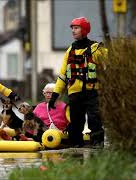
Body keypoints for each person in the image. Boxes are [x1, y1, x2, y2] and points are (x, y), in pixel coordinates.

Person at [48, 17, 108, 147]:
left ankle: (97, 147)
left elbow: (109, 65)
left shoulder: (96, 49)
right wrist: (54, 95)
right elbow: (63, 75)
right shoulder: (70, 51)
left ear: (85, 30)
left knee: (95, 120)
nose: (73, 31)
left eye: (76, 28)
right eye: (72, 28)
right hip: (75, 93)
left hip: (93, 92)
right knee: (75, 123)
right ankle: (75, 149)